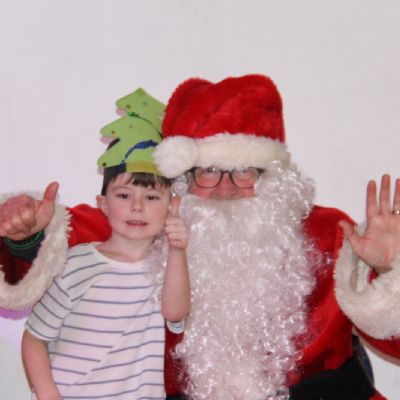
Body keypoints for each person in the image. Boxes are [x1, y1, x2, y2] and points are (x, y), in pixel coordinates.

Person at [1, 74, 400, 400]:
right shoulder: (149, 228)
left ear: (273, 179)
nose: (226, 188)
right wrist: (28, 233)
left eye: (244, 171)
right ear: (183, 181)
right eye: (208, 171)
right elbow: (62, 240)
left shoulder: (328, 234)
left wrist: (390, 271)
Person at [19, 91, 191, 399]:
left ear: (171, 206)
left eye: (152, 197)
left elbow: (175, 312)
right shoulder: (76, 264)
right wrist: (48, 395)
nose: (137, 206)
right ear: (103, 204)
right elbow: (34, 338)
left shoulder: (167, 268)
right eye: (124, 195)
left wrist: (178, 250)